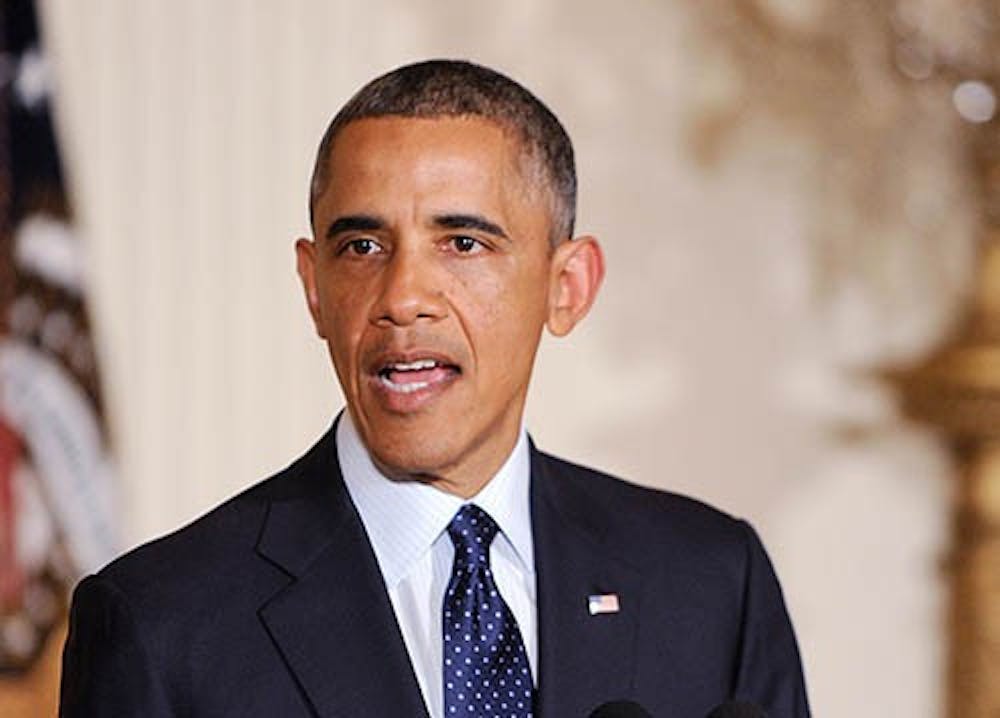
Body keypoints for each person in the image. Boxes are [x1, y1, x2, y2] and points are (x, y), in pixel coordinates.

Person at [60, 60, 810, 717]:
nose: (402, 296)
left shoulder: (712, 585)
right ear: (314, 288)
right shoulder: (161, 623)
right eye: (361, 246)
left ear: (567, 287)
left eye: (463, 243)